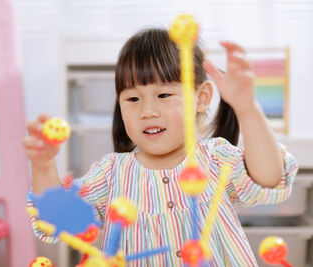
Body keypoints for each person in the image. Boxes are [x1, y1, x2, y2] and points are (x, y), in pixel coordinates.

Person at [23, 28, 298, 266]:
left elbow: (269, 179)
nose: (147, 111)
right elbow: (61, 223)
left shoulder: (215, 158)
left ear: (201, 99)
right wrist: (44, 165)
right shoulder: (110, 173)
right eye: (133, 99)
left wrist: (247, 109)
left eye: (163, 94)